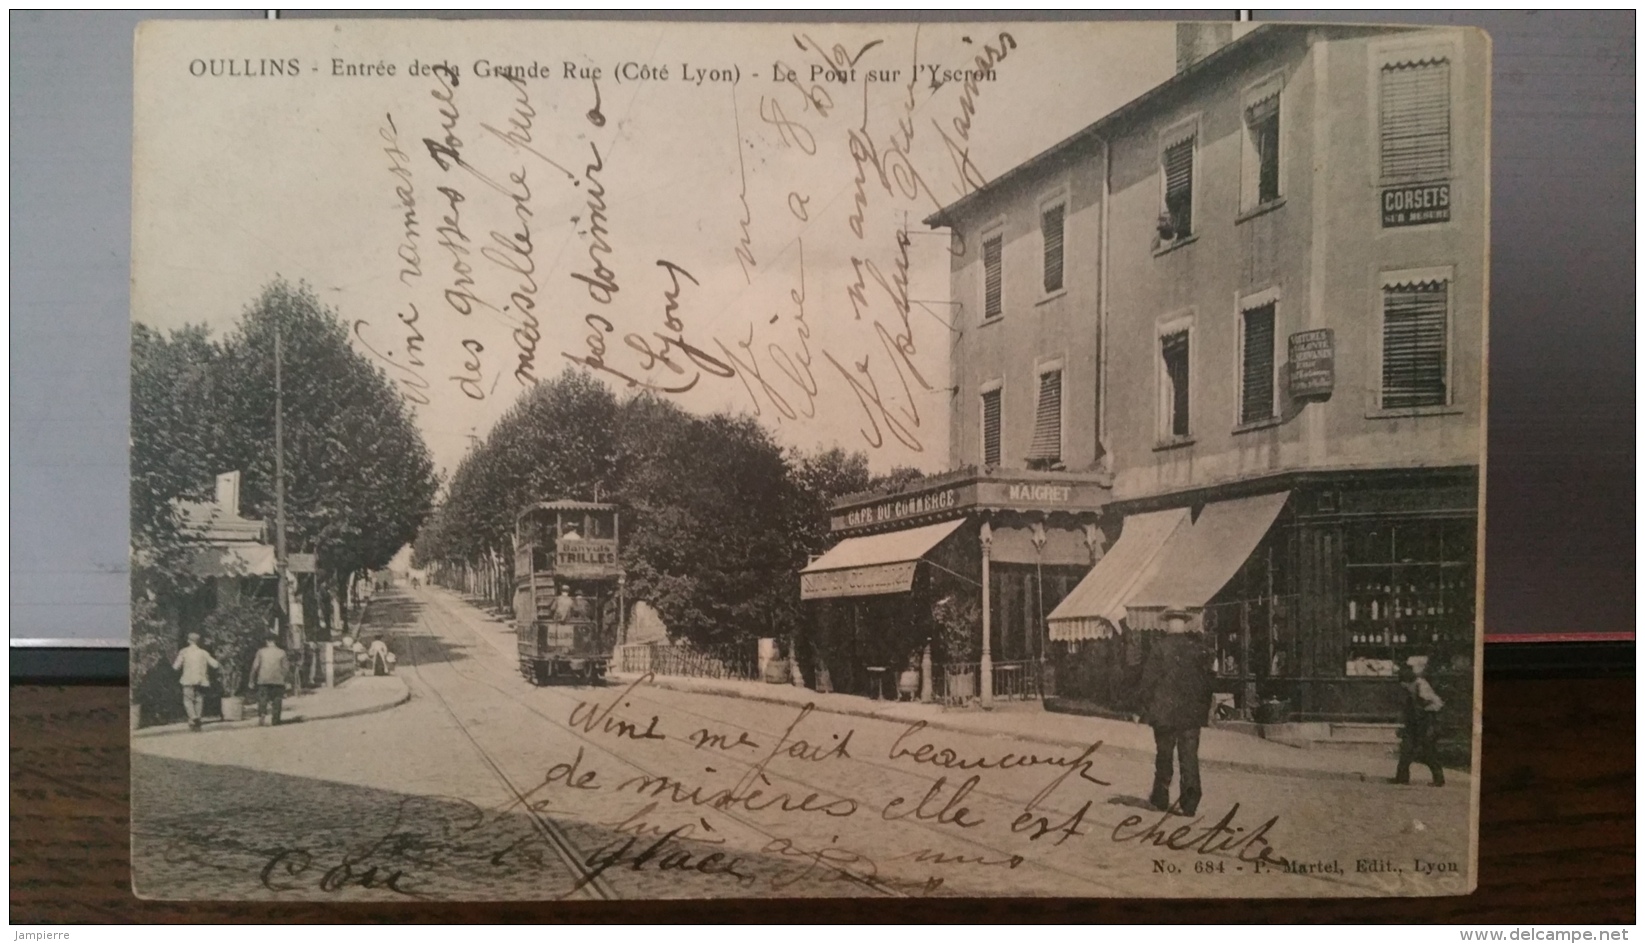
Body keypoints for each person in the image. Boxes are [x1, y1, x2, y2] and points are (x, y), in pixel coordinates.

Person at [1135, 608, 1215, 816]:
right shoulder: (1197, 649)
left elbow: (1147, 682)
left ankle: (1161, 797)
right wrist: (1203, 709)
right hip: (1191, 715)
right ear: (1185, 624)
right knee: (1189, 757)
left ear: (1167, 624)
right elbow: (1207, 682)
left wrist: (1146, 707)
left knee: (1164, 754)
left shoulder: (1159, 648)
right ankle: (1190, 803)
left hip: (1164, 713)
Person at [1392, 662, 1447, 786]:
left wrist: (1425, 713)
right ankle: (1401, 778)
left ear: (1408, 681)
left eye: (1404, 683)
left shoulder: (1421, 686)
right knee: (1406, 749)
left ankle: (1439, 779)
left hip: (1425, 723)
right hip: (1413, 723)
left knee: (1428, 751)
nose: (1403, 686)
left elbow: (1437, 704)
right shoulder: (1411, 688)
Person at [171, 632, 221, 731]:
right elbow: (215, 664)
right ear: (198, 641)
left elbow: (176, 667)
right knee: (199, 699)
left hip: (188, 679)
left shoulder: (184, 652)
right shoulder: (203, 652)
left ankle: (193, 718)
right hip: (200, 679)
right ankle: (197, 720)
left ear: (188, 641)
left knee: (188, 700)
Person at [248, 635, 290, 726]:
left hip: (263, 680)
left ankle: (262, 714)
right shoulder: (282, 652)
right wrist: (286, 681)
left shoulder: (261, 652)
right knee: (277, 699)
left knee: (262, 699)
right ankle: (275, 719)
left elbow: (255, 666)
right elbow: (286, 668)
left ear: (267, 641)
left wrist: (251, 680)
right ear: (275, 641)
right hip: (278, 680)